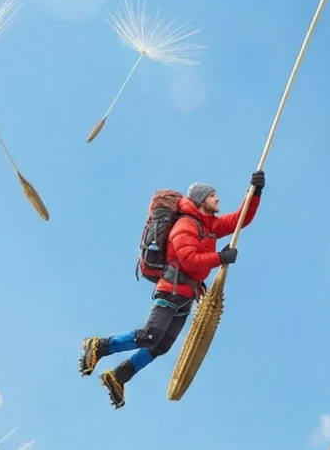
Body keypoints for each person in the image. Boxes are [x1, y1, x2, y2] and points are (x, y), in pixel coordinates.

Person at [79, 171, 265, 409]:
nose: (217, 199)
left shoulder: (209, 225)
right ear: (201, 201)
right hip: (171, 290)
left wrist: (255, 192)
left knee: (161, 345)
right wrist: (220, 257)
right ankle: (100, 346)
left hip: (187, 296)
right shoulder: (186, 225)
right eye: (212, 195)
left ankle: (119, 376)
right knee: (149, 335)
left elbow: (240, 220)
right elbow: (189, 259)